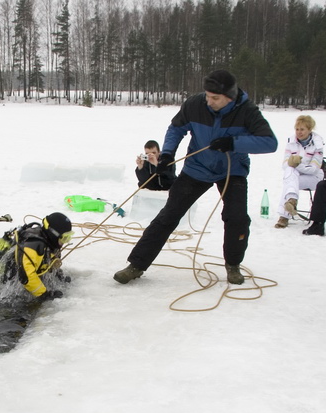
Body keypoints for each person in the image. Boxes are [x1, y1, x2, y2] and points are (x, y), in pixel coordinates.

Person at [113, 70, 278, 285]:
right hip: (197, 169)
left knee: (236, 218)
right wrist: (169, 153)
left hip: (231, 170)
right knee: (168, 215)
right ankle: (136, 265)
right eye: (207, 95)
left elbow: (269, 143)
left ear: (230, 96)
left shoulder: (247, 111)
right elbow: (176, 128)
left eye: (215, 98)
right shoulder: (196, 104)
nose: (209, 101)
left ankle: (233, 265)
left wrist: (233, 143)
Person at [0, 212, 73, 300]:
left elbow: (50, 261)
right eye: (64, 238)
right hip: (6, 283)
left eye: (68, 237)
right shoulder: (34, 246)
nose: (65, 242)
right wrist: (44, 294)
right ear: (53, 233)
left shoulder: (51, 241)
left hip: (21, 277)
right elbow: (26, 276)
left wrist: (58, 275)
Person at [274, 115, 324, 229]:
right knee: (290, 175)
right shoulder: (291, 142)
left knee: (289, 180)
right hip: (295, 176)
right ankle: (291, 201)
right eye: (297, 129)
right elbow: (285, 165)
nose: (299, 132)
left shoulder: (318, 144)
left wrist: (297, 165)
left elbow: (314, 169)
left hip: (314, 178)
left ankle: (284, 216)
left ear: (309, 129)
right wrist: (292, 165)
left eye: (302, 129)